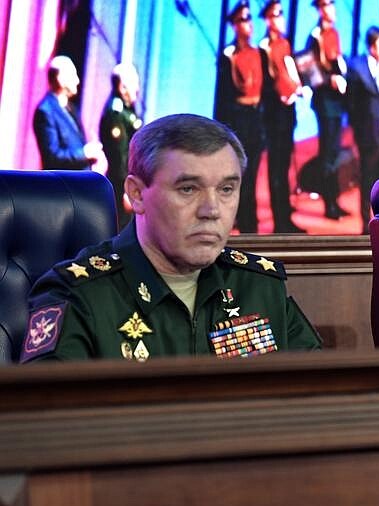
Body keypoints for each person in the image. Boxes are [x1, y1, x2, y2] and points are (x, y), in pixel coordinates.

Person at [20, 113, 322, 363]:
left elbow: (317, 402)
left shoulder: (259, 287)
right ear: (137, 194)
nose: (211, 210)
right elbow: (49, 425)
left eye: (226, 189)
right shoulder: (78, 297)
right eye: (188, 189)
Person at [214, 1, 268, 234]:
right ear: (235, 25)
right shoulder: (229, 56)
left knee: (253, 175)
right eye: (243, 20)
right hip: (238, 121)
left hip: (256, 120)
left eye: (249, 19)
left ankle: (250, 224)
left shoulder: (258, 53)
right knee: (237, 176)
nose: (249, 25)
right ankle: (238, 222)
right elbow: (223, 96)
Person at [260, 1, 307, 234]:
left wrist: (296, 88)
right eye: (275, 15)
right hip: (273, 116)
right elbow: (264, 85)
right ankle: (280, 222)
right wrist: (280, 95)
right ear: (268, 19)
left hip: (288, 114)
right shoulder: (264, 48)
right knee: (276, 169)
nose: (279, 19)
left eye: (281, 15)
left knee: (285, 167)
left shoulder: (284, 44)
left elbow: (289, 73)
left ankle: (285, 216)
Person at [347, 26, 379, 234]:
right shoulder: (357, 68)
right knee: (369, 177)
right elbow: (351, 103)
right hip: (368, 132)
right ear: (371, 48)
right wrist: (359, 130)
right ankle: (365, 223)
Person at [301, 0, 349, 220]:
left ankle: (335, 199)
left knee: (336, 150)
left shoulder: (334, 33)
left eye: (332, 5)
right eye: (327, 6)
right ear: (320, 10)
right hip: (324, 101)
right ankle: (329, 203)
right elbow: (311, 72)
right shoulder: (315, 36)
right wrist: (331, 80)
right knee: (327, 153)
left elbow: (336, 61)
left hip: (337, 100)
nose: (332, 10)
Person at [33, 55, 104, 170]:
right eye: (73, 75)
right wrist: (85, 154)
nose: (77, 81)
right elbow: (52, 157)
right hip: (61, 184)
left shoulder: (71, 108)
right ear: (60, 79)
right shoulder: (45, 111)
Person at [99, 62, 143, 227]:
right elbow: (120, 155)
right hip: (120, 185)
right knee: (120, 228)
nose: (137, 90)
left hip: (129, 182)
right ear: (123, 87)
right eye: (134, 85)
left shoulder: (128, 110)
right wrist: (126, 188)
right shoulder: (115, 113)